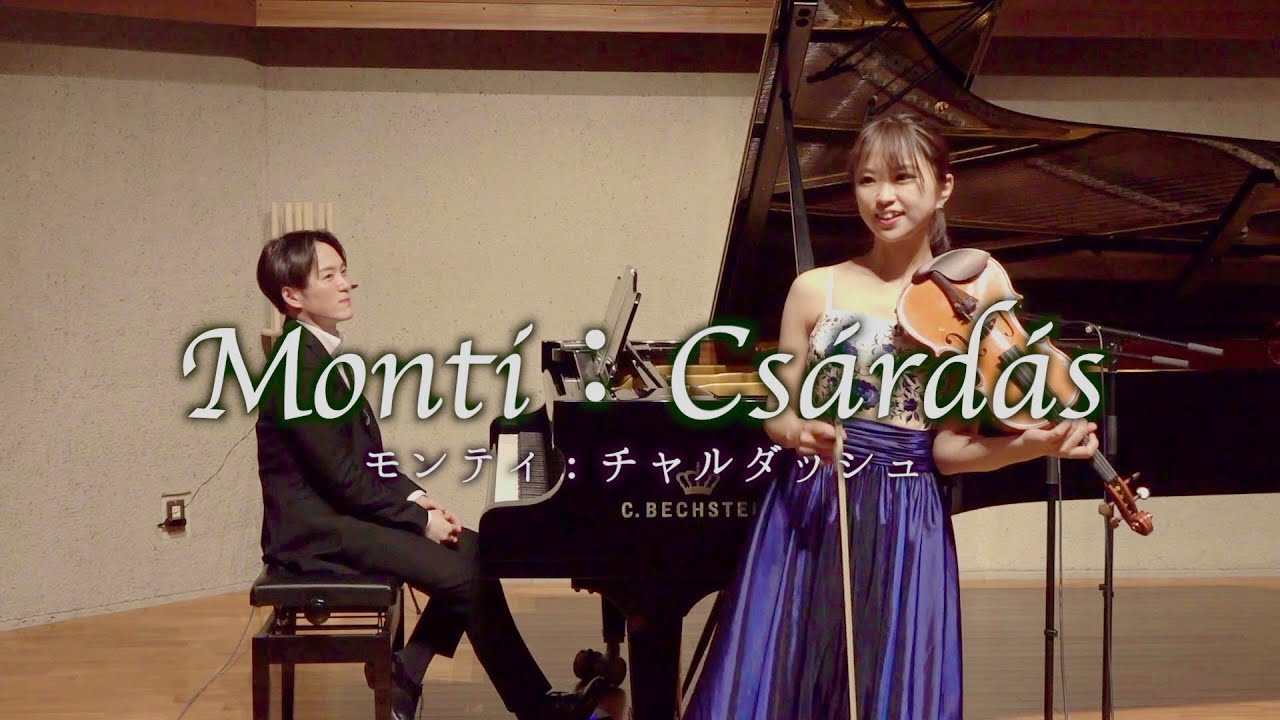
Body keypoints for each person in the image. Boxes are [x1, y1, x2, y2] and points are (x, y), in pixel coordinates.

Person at [681, 112, 1099, 719]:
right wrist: (799, 431)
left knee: (891, 683)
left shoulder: (974, 300)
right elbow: (778, 414)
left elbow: (948, 450)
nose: (884, 197)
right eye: (867, 180)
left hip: (908, 512)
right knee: (790, 677)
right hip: (812, 504)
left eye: (903, 178)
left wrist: (1034, 445)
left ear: (944, 187)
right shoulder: (815, 289)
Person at [253, 230, 604, 720]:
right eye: (328, 276)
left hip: (339, 514)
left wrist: (419, 499)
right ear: (292, 296)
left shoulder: (314, 353)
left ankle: (408, 674)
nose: (346, 284)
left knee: (478, 550)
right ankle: (532, 706)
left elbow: (365, 459)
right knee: (464, 573)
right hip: (314, 533)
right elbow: (342, 480)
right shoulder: (300, 369)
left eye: (344, 271)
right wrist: (419, 522)